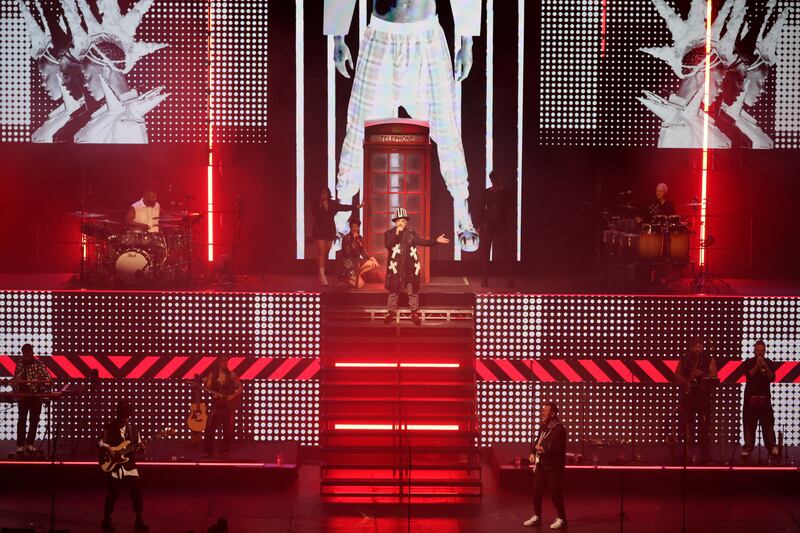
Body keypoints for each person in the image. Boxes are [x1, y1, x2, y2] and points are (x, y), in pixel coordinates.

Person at [324, 0, 481, 252]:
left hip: (426, 37)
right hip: (381, 35)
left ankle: (462, 209)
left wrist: (467, 43)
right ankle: (341, 217)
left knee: (447, 129)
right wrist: (338, 38)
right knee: (357, 131)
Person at [383, 207, 450, 325]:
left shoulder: (411, 233)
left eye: (403, 220)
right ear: (394, 221)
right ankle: (390, 312)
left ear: (406, 222)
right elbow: (388, 245)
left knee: (412, 290)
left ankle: (414, 312)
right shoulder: (389, 233)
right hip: (396, 267)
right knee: (394, 291)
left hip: (409, 267)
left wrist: (436, 241)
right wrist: (397, 233)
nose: (401, 223)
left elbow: (422, 241)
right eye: (398, 220)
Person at [99, 400, 148, 531]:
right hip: (114, 465)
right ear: (118, 416)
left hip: (129, 465)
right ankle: (106, 518)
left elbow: (137, 448)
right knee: (113, 492)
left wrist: (141, 449)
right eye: (122, 417)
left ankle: (139, 518)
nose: (125, 420)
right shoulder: (109, 428)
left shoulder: (133, 430)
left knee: (136, 492)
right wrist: (109, 448)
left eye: (126, 417)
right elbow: (100, 443)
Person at [524, 402, 567, 530]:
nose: (543, 413)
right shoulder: (543, 426)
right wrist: (533, 452)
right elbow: (537, 441)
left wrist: (545, 451)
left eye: (546, 411)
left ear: (553, 414)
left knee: (555, 494)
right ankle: (537, 516)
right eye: (543, 410)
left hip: (554, 467)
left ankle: (562, 519)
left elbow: (559, 450)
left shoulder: (560, 430)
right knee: (536, 492)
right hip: (541, 465)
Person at [674, 338, 718, 464]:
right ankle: (687, 453)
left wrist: (702, 373)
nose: (697, 349)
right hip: (689, 396)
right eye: (695, 347)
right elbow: (676, 374)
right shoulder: (685, 359)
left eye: (699, 347)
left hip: (703, 396)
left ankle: (704, 455)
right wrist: (686, 381)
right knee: (687, 426)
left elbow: (714, 375)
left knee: (704, 427)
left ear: (703, 347)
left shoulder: (709, 359)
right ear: (691, 347)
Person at [740, 340, 779, 460]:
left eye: (762, 350)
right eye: (758, 350)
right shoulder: (748, 362)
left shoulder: (770, 363)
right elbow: (749, 375)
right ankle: (748, 447)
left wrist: (765, 366)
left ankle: (772, 446)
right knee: (749, 424)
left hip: (765, 398)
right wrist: (757, 365)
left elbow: (772, 378)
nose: (760, 352)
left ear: (765, 350)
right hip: (750, 397)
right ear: (754, 350)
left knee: (767, 423)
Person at [312, 187, 357, 285]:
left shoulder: (332, 203)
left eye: (325, 192)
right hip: (319, 230)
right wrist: (321, 205)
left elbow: (343, 207)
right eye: (322, 192)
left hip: (329, 230)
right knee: (322, 252)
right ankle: (322, 275)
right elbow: (315, 213)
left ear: (328, 193)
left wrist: (355, 206)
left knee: (326, 253)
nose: (324, 194)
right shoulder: (316, 203)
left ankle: (321, 272)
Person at [12, 344, 52, 455]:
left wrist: (41, 389)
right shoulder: (20, 363)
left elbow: (48, 379)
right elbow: (16, 377)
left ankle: (30, 444)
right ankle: (20, 445)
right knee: (21, 421)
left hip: (35, 397)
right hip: (23, 396)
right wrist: (15, 388)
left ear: (32, 353)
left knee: (34, 421)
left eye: (27, 354)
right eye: (24, 354)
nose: (26, 356)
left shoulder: (39, 364)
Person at [202, 355, 243, 458]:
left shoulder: (232, 375)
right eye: (223, 362)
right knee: (209, 428)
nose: (225, 363)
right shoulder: (212, 375)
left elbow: (240, 387)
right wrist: (207, 384)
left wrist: (232, 396)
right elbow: (208, 387)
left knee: (228, 429)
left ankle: (224, 450)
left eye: (226, 362)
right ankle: (208, 450)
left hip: (228, 405)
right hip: (216, 404)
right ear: (218, 363)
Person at [479, 170, 514, 288]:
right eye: (494, 179)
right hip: (489, 224)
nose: (495, 181)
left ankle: (511, 278)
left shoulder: (505, 193)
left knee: (506, 251)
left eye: (497, 179)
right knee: (485, 251)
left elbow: (509, 209)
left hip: (500, 224)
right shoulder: (486, 192)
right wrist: (479, 224)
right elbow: (482, 208)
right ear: (492, 180)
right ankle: (484, 279)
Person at [339, 219, 379, 288]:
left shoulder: (360, 238)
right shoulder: (346, 238)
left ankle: (357, 275)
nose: (355, 228)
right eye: (353, 226)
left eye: (356, 227)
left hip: (356, 262)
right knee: (360, 285)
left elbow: (363, 252)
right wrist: (354, 241)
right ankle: (346, 278)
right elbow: (348, 253)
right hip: (348, 264)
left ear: (358, 227)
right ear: (350, 227)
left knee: (372, 264)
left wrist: (372, 258)